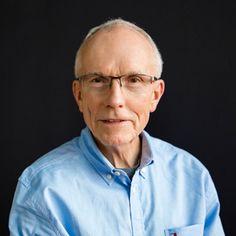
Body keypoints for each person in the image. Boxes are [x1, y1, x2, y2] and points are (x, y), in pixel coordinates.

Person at [9, 18, 225, 236]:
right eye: (98, 80)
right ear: (79, 95)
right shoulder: (41, 190)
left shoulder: (193, 176)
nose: (115, 100)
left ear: (155, 95)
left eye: (134, 80)